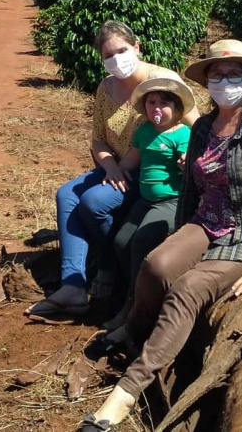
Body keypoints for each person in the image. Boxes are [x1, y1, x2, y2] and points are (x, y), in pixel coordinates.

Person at [81, 39, 242, 431]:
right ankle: (132, 325)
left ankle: (126, 392)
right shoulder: (201, 128)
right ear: (208, 82)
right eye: (217, 75)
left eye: (234, 75)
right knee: (156, 264)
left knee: (187, 290)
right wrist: (180, 238)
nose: (225, 81)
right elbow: (191, 192)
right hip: (204, 222)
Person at [26, 21, 199, 319]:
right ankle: (73, 286)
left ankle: (110, 268)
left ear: (137, 47)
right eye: (108, 55)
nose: (116, 59)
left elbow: (198, 126)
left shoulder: (164, 81)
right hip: (118, 167)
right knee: (67, 194)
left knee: (93, 202)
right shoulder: (106, 88)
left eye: (122, 50)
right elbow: (98, 140)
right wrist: (110, 167)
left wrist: (191, 160)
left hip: (152, 173)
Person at [104, 75, 196, 331]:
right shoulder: (144, 131)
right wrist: (115, 171)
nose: (157, 108)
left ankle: (133, 309)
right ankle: (131, 289)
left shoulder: (183, 134)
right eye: (151, 102)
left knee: (142, 242)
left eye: (164, 103)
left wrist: (184, 165)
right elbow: (132, 159)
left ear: (177, 109)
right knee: (122, 242)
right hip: (145, 201)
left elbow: (190, 165)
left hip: (171, 201)